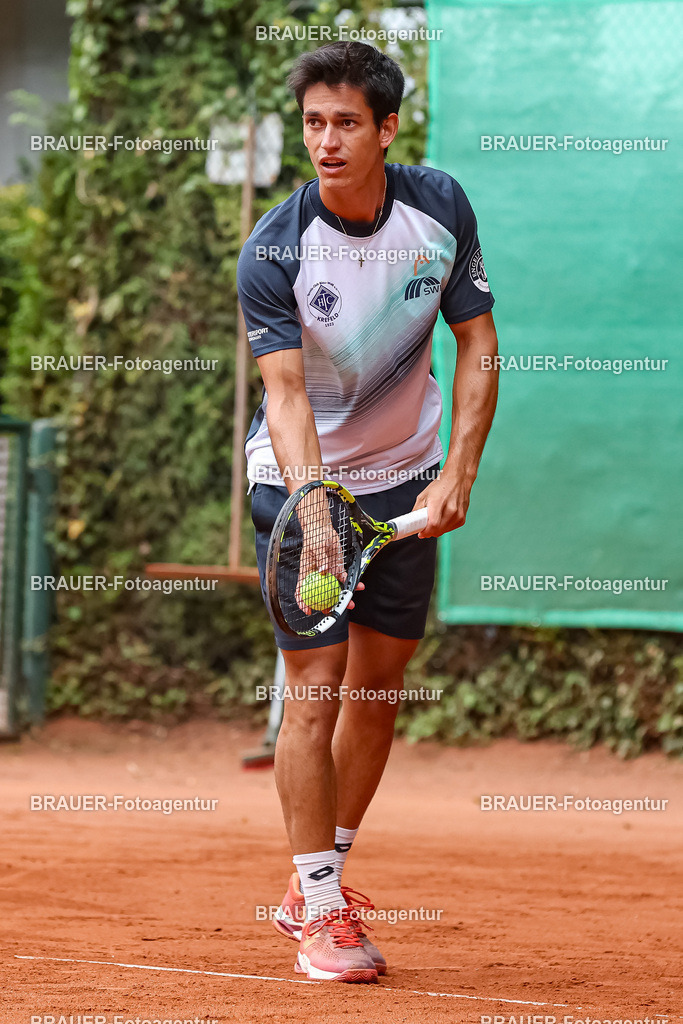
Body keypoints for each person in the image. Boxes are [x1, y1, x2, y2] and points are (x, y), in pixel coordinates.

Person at [236, 41, 499, 984]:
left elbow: (477, 343)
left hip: (404, 480)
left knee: (378, 689)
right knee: (314, 690)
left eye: (346, 122)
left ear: (387, 128)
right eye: (313, 123)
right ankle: (319, 909)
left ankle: (317, 879)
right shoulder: (274, 246)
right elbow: (284, 395)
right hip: (300, 482)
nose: (327, 141)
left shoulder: (440, 208)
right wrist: (313, 513)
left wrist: (457, 471)